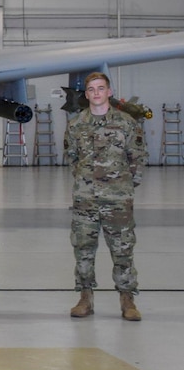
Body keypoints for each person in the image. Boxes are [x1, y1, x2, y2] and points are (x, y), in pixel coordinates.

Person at [64, 72, 147, 321]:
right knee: (83, 249)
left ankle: (127, 298)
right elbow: (72, 158)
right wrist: (84, 184)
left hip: (118, 199)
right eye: (91, 89)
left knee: (123, 249)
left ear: (109, 92)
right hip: (85, 199)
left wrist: (124, 186)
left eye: (101, 88)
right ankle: (85, 297)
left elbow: (138, 158)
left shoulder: (127, 123)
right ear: (86, 94)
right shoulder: (76, 125)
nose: (96, 93)